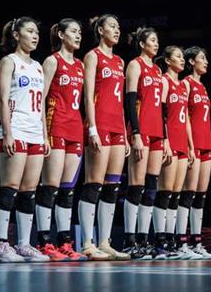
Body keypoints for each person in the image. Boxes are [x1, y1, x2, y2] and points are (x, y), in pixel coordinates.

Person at [0, 17, 50, 263]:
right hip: (15, 129)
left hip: (35, 133)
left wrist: (45, 135)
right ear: (16, 35)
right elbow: (3, 100)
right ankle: (1, 245)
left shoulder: (38, 66)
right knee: (10, 187)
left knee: (29, 191)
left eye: (37, 32)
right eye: (30, 31)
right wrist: (8, 132)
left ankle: (24, 244)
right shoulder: (8, 62)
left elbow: (41, 104)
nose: (35, 36)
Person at [77, 15, 130, 260]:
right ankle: (87, 243)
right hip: (99, 124)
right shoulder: (92, 56)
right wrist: (92, 128)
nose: (117, 31)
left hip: (117, 126)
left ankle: (105, 242)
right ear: (100, 30)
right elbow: (88, 95)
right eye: (112, 26)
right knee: (94, 184)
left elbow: (120, 101)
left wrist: (126, 134)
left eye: (118, 27)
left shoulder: (119, 61)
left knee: (112, 186)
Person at [34, 19, 87, 261]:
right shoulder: (52, 61)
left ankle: (65, 242)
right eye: (73, 31)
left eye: (80, 32)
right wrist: (43, 133)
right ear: (62, 35)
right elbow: (41, 99)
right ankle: (44, 242)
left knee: (67, 190)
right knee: (50, 187)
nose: (78, 35)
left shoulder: (80, 65)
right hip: (55, 126)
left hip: (75, 129)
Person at [122, 27, 164, 259]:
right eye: (152, 40)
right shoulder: (135, 65)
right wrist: (135, 133)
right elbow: (129, 101)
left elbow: (162, 108)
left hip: (157, 131)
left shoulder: (157, 70)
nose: (156, 44)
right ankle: (129, 241)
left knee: (151, 187)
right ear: (141, 43)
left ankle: (142, 239)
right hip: (142, 129)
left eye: (157, 41)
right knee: (136, 185)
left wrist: (164, 137)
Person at [152, 46, 196, 259]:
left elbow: (185, 118)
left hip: (182, 142)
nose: (182, 59)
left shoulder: (183, 86)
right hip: (169, 140)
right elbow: (161, 113)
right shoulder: (164, 81)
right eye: (178, 56)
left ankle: (171, 240)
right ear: (168, 61)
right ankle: (159, 241)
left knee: (176, 195)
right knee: (165, 191)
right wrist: (165, 140)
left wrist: (191, 146)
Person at [180, 47, 211, 259]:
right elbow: (183, 115)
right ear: (191, 61)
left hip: (205, 145)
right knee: (188, 194)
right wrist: (190, 146)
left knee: (201, 196)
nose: (206, 61)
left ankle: (197, 243)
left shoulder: (203, 87)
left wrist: (209, 150)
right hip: (191, 145)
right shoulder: (186, 84)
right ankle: (182, 243)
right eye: (202, 58)